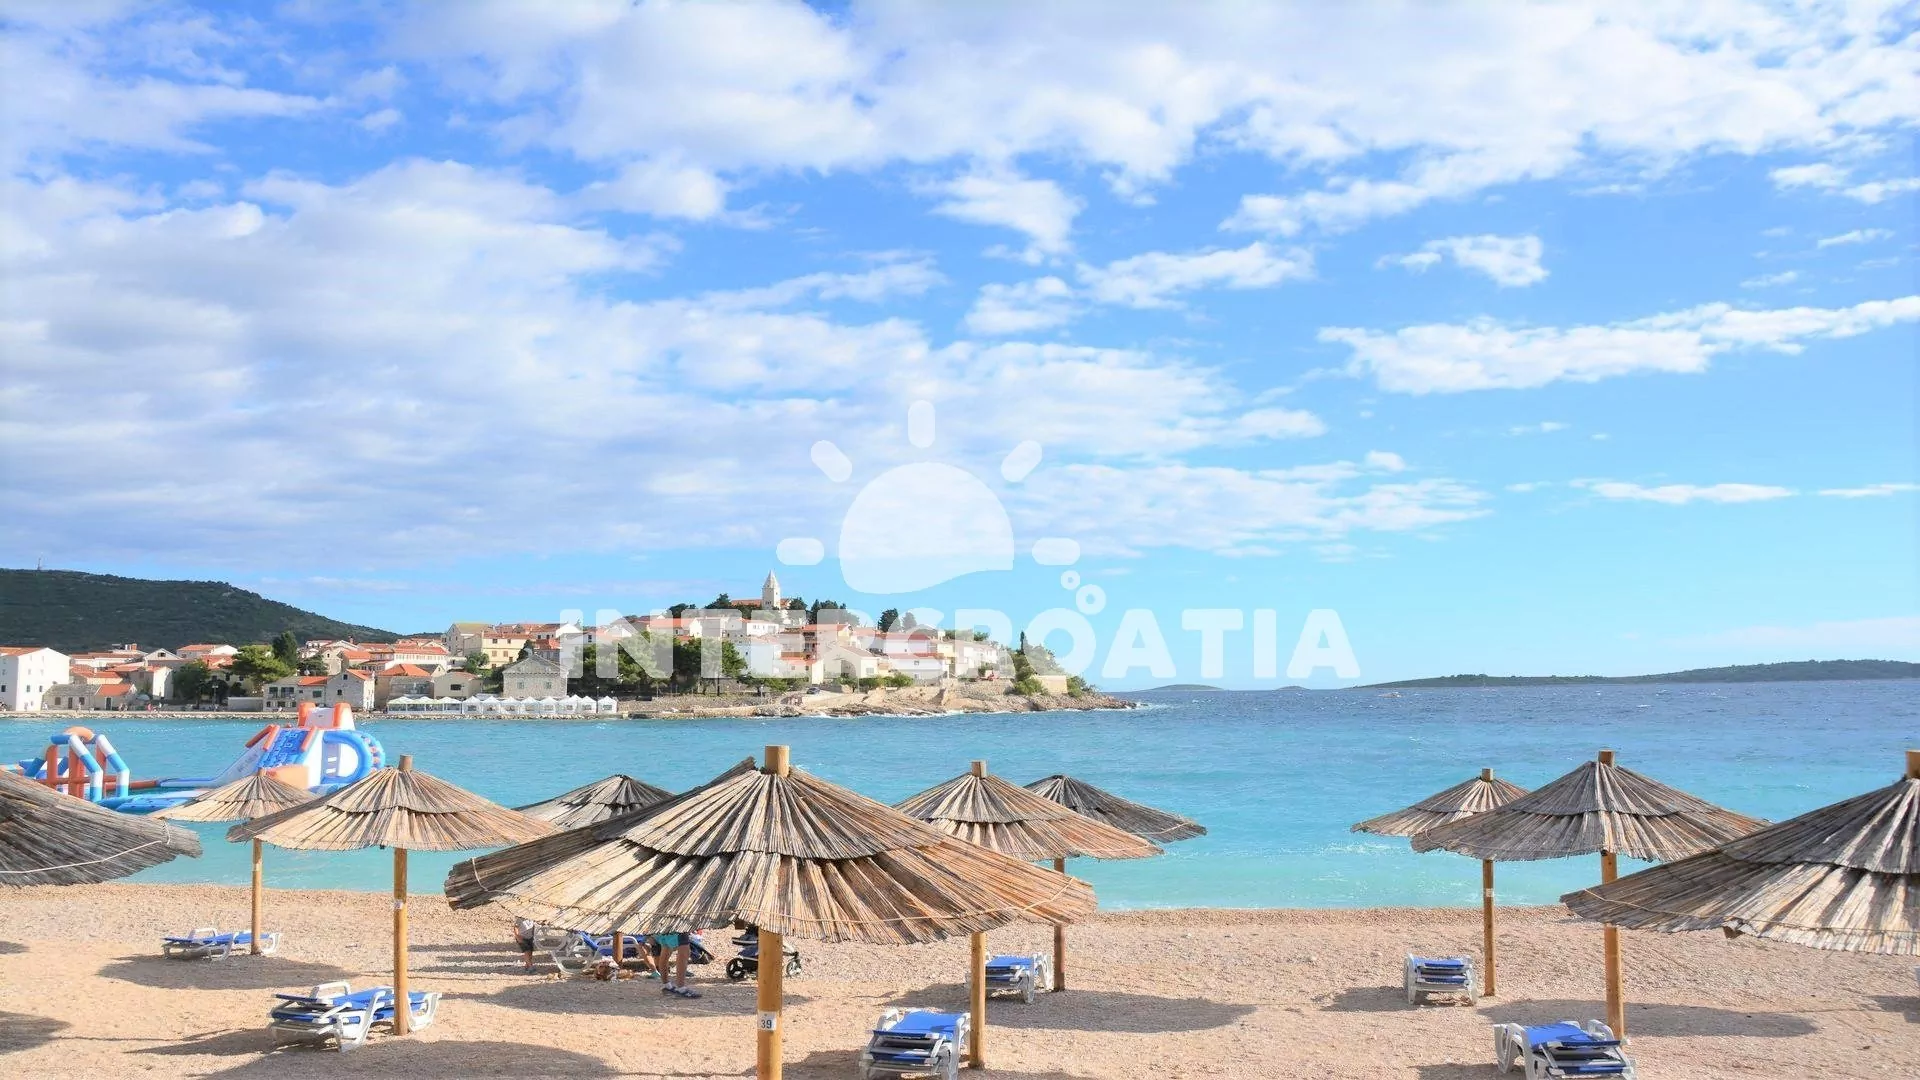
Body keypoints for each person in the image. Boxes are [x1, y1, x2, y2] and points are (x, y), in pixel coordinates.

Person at [652, 931, 701, 998]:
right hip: (677, 930)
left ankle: (667, 986)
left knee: (665, 949)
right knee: (684, 951)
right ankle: (681, 989)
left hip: (662, 929)